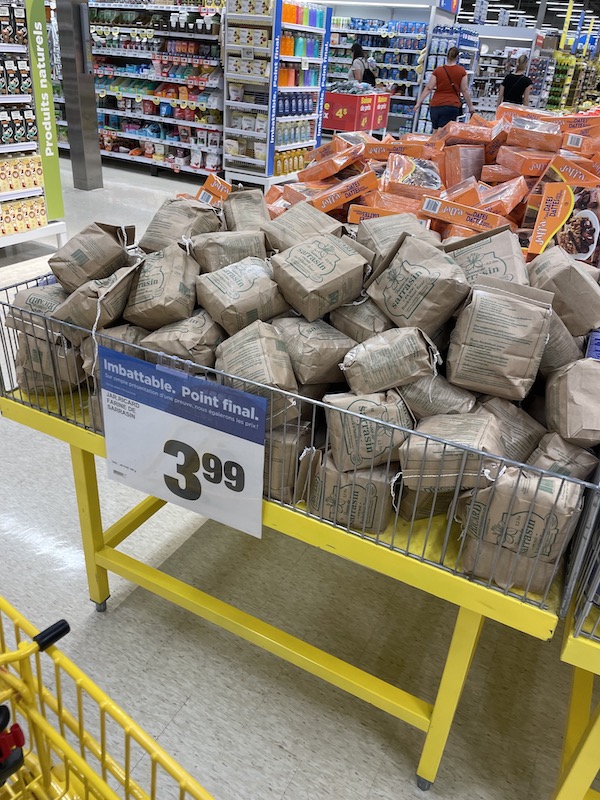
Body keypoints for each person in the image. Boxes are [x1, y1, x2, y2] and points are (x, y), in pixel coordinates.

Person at [414, 46, 475, 130]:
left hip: (436, 105)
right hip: (451, 106)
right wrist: (470, 106)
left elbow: (429, 88)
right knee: (443, 132)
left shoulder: (438, 70)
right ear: (457, 57)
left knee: (436, 132)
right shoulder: (461, 71)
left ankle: (433, 143)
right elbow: (464, 90)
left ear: (447, 56)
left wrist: (418, 103)